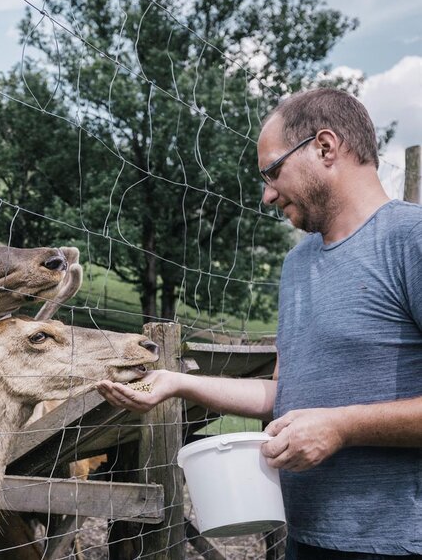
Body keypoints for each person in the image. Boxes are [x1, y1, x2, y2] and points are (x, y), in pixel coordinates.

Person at [96, 88, 422, 559]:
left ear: (325, 147)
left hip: (397, 542)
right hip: (306, 536)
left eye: (272, 171)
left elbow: (329, 422)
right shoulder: (297, 265)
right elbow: (284, 395)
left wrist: (342, 427)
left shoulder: (409, 241)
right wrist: (176, 382)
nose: (267, 194)